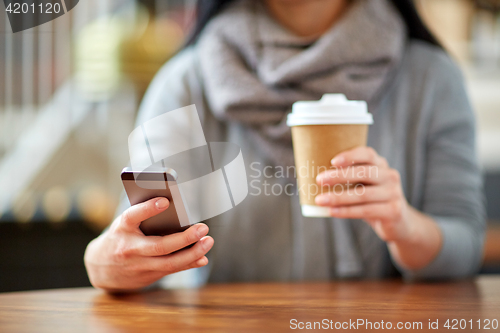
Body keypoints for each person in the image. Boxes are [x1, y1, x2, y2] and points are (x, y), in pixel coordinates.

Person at [84, 0, 486, 292]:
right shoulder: (185, 83)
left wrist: (404, 225)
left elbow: (465, 248)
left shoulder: (432, 81)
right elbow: (136, 240)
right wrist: (102, 264)